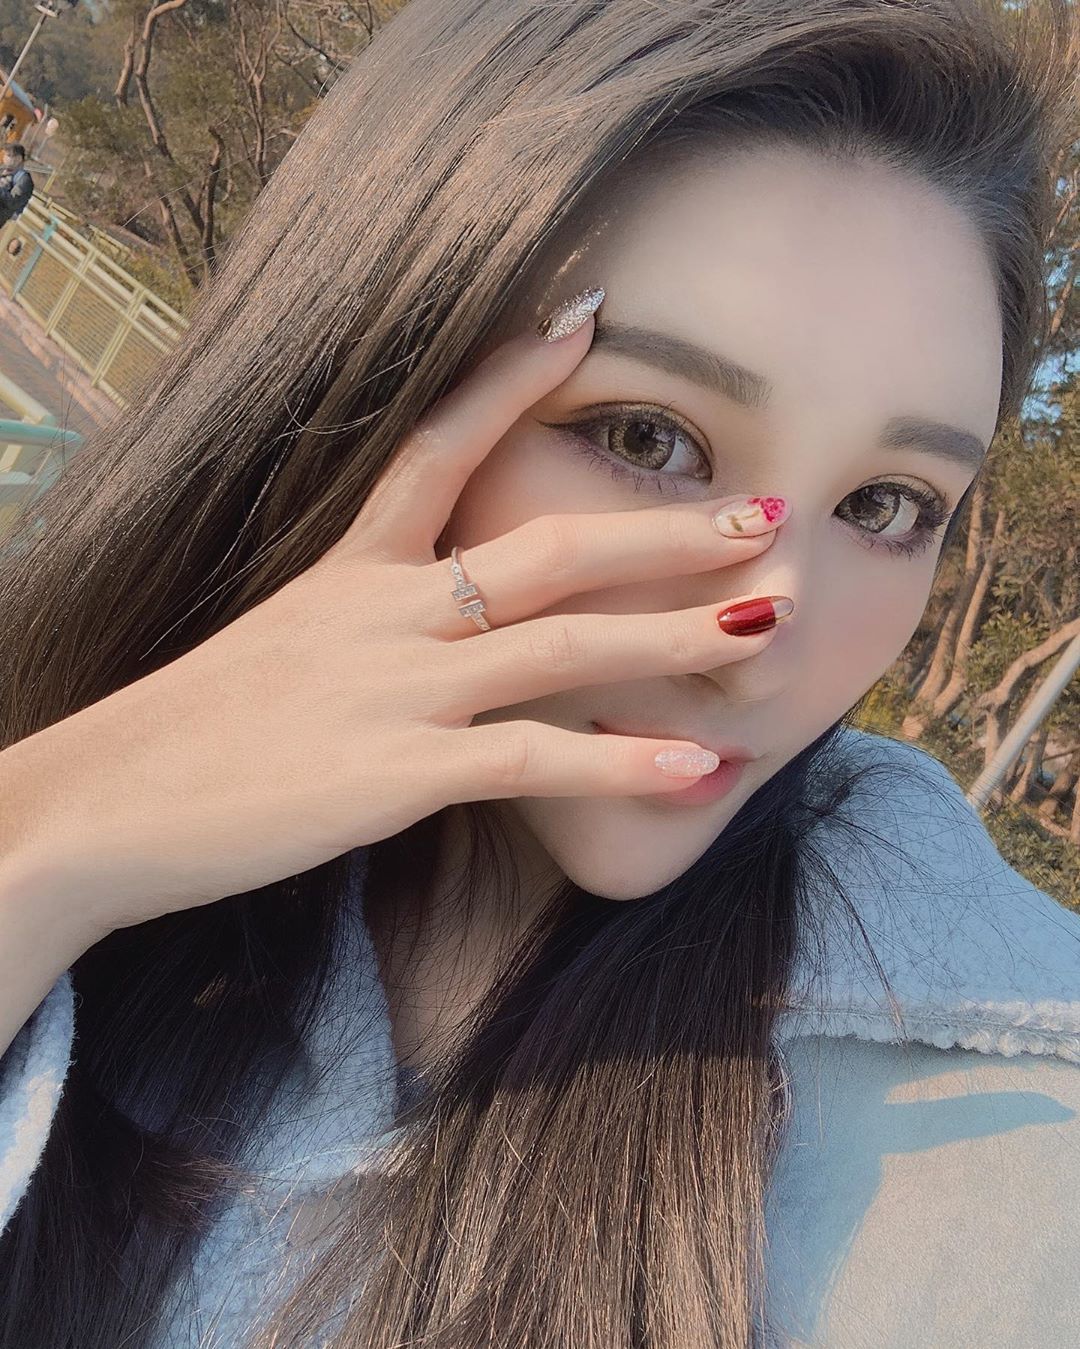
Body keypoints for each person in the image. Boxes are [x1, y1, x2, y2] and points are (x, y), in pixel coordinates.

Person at [0, 0, 1077, 1344]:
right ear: (370, 373)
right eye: (646, 436)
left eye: (885, 506)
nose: (758, 639)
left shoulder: (1001, 1130)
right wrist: (52, 838)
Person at [0, 142, 33, 227]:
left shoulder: (23, 179)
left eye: (8, 155)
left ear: (18, 159)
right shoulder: (3, 170)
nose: (4, 158)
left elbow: (13, 202)